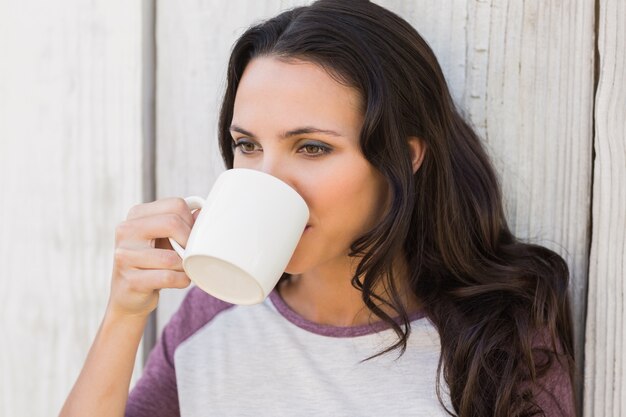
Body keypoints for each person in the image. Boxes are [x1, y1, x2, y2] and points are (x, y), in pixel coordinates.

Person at [60, 1, 577, 416]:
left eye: (312, 147)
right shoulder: (215, 314)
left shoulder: (496, 335)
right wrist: (122, 316)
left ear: (404, 156)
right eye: (248, 145)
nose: (267, 180)